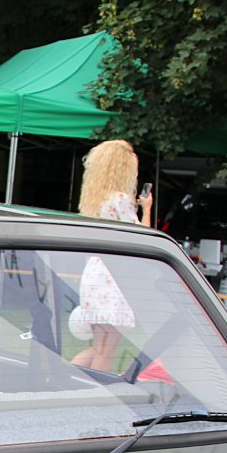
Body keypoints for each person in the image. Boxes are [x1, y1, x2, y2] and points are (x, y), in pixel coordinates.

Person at [69, 140, 151, 371]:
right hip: (112, 275)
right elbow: (143, 237)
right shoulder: (120, 200)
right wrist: (147, 209)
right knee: (107, 349)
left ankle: (67, 382)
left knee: (99, 347)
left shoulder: (94, 201)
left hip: (94, 272)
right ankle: (94, 395)